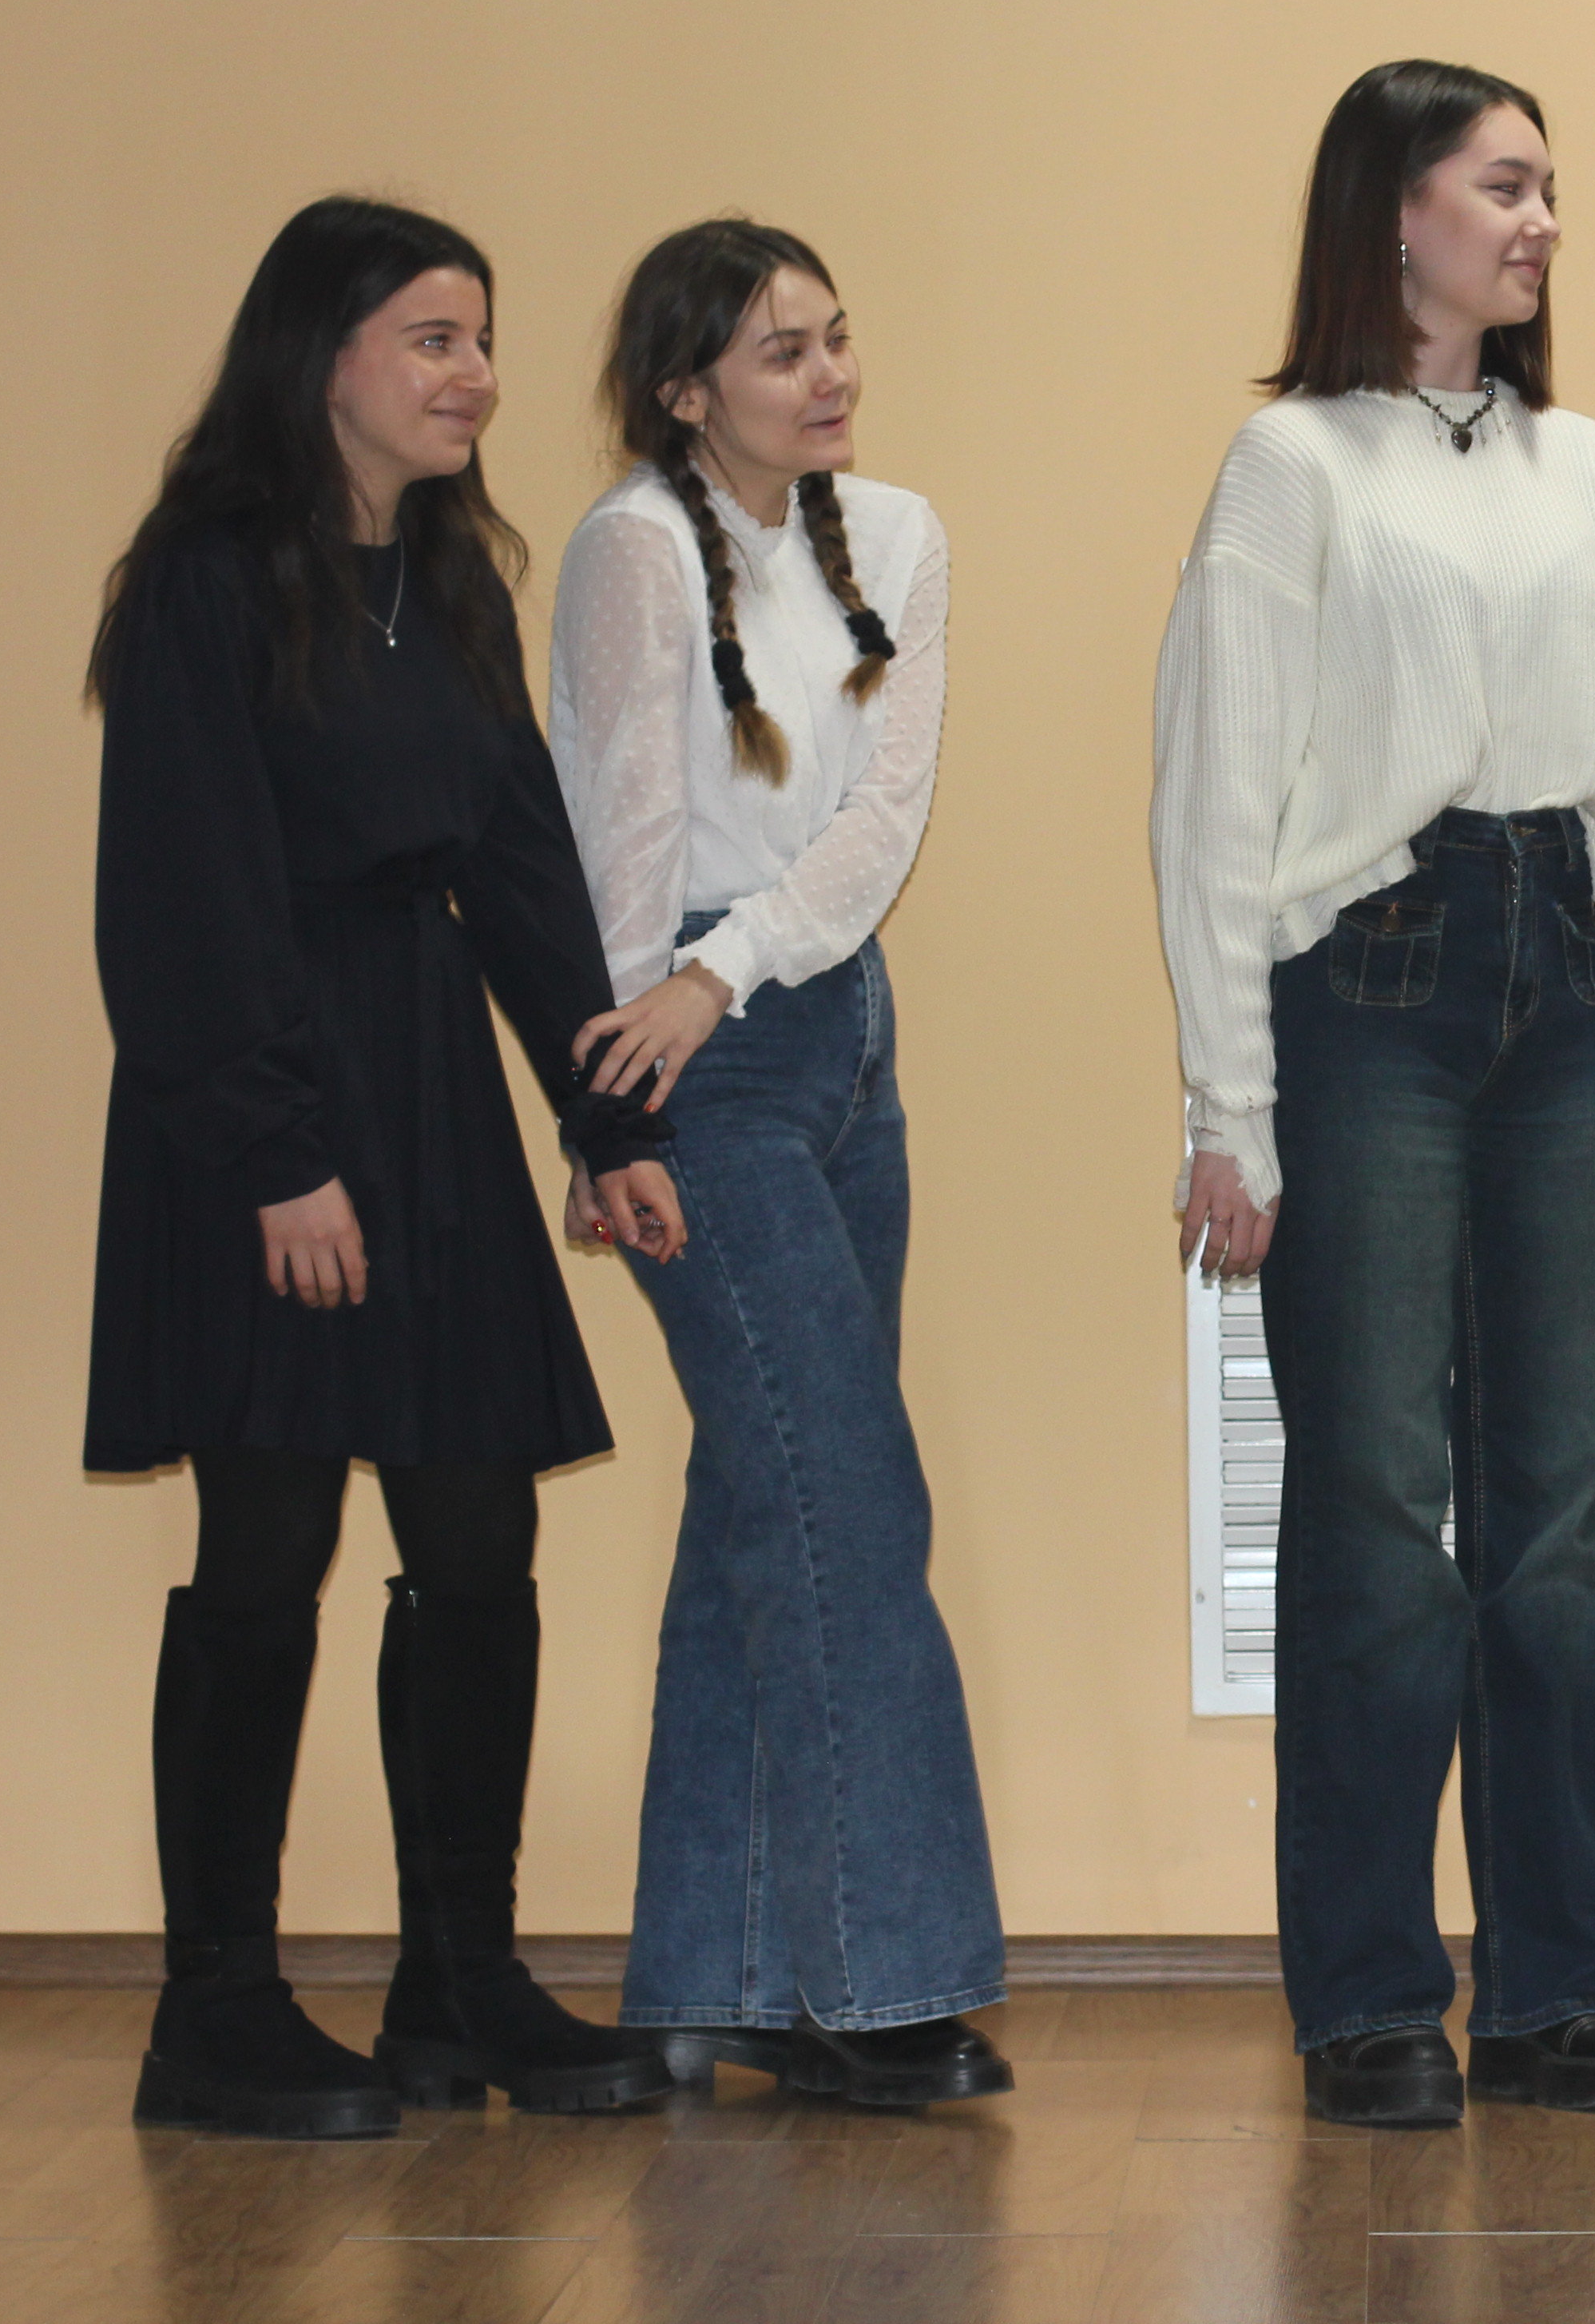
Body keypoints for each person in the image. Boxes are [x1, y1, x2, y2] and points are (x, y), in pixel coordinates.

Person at [1153, 62, 1595, 2127]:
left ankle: (1554, 1988)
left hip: (1570, 974)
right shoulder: (1291, 463)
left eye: (1549, 188)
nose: (1541, 219)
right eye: (1505, 184)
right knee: (1380, 1511)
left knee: (1562, 1522)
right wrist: (1229, 1108)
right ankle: (1373, 1997)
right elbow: (1214, 795)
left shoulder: (1590, 468)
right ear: (1394, 214)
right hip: (1368, 985)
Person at [85, 197, 684, 2139]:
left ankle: (458, 1981)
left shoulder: (450, 579)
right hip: (256, 1105)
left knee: (480, 1542)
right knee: (266, 1546)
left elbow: (519, 865)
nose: (474, 374)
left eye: (480, 338)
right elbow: (179, 894)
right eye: (434, 337)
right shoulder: (206, 582)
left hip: (426, 1090)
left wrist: (607, 1121)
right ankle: (216, 2012)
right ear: (320, 356)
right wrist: (277, 1155)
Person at [550, 218, 1010, 2106]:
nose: (827, 377)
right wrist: (612, 1106)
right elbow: (612, 827)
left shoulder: (897, 534)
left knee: (772, 1500)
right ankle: (866, 1986)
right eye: (778, 353)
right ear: (685, 392)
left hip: (830, 1026)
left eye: (834, 339)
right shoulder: (635, 550)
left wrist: (735, 970)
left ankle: (715, 1975)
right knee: (845, 1505)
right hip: (692, 1058)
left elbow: (886, 814)